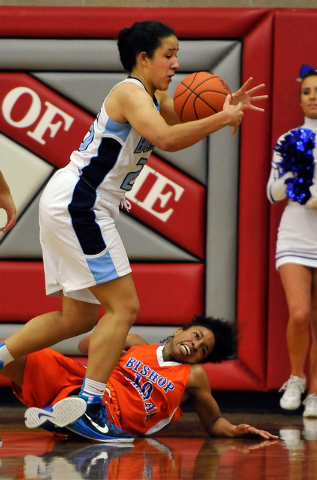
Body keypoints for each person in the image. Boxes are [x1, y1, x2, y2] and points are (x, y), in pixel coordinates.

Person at [0, 20, 268, 442]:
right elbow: (166, 137)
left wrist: (219, 107)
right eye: (169, 54)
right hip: (82, 201)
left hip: (76, 202)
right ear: (143, 58)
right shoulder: (129, 91)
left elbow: (177, 118)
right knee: (124, 307)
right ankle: (90, 406)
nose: (176, 64)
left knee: (80, 315)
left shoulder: (153, 95)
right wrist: (221, 121)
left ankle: (1, 358)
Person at [0, 316, 278, 442]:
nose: (196, 345)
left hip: (115, 415)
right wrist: (109, 334)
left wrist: (236, 431)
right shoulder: (135, 343)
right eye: (196, 336)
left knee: (89, 402)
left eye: (202, 349)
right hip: (84, 385)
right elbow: (86, 347)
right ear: (180, 330)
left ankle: (65, 414)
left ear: (200, 360)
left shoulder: (193, 376)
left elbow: (214, 421)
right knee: (21, 353)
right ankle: (59, 414)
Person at [267, 64, 317, 417]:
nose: (313, 97)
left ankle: (316, 392)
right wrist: (294, 173)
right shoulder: (289, 139)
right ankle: (296, 378)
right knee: (300, 314)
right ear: (299, 99)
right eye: (307, 91)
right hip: (296, 233)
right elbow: (271, 194)